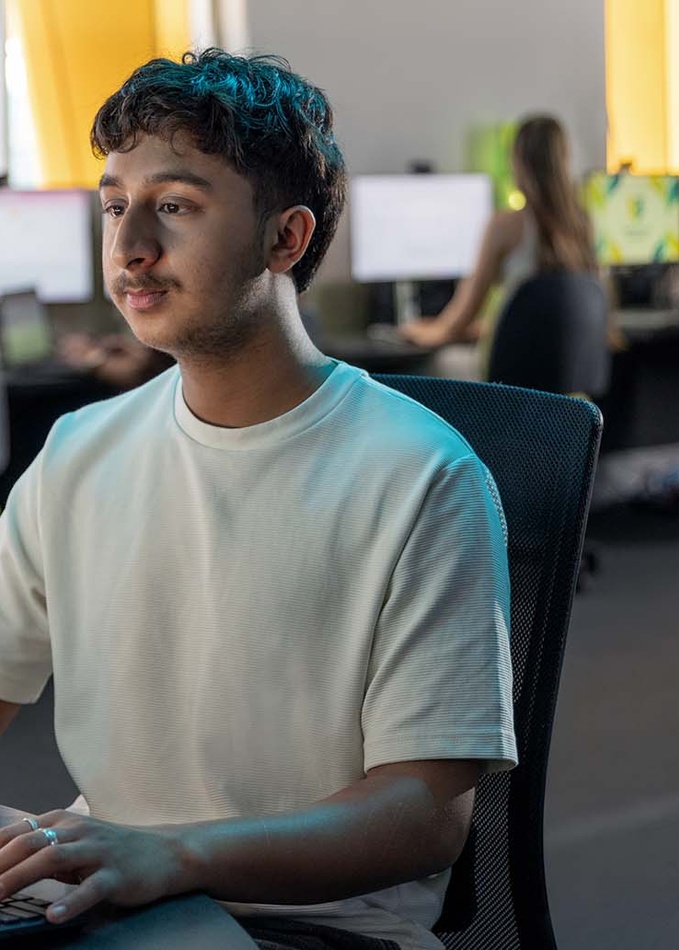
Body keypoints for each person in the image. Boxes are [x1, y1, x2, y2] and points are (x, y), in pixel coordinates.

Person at [0, 49, 517, 950]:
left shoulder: (421, 475)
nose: (128, 247)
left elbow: (426, 819)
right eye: (115, 205)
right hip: (109, 893)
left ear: (286, 239)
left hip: (310, 927)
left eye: (174, 206)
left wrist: (178, 855)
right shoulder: (78, 452)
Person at [399, 115, 599, 356]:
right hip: (565, 373)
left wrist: (415, 332)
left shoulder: (506, 225)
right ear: (564, 160)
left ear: (518, 163)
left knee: (433, 366)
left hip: (511, 373)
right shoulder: (582, 225)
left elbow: (458, 322)